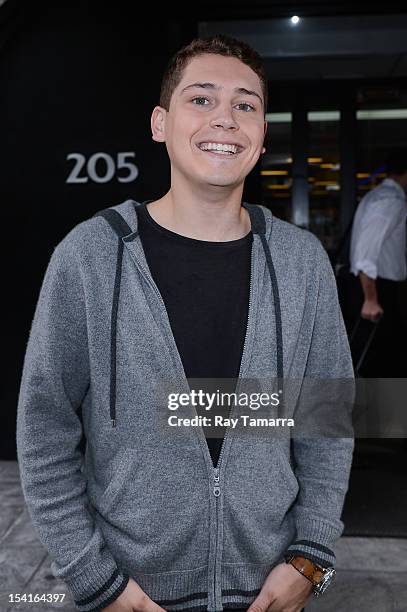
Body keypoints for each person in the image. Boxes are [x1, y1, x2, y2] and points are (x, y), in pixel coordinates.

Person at [16, 35, 354, 612]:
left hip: (267, 592)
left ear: (262, 135)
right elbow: (44, 430)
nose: (226, 118)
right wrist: (95, 579)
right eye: (202, 99)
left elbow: (326, 417)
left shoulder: (302, 263)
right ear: (159, 122)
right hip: (130, 592)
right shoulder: (92, 257)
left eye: (246, 105)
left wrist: (312, 556)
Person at [349, 149, 407, 376]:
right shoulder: (389, 201)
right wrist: (371, 299)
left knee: (377, 361)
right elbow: (365, 255)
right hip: (377, 290)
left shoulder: (377, 196)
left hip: (375, 287)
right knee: (383, 364)